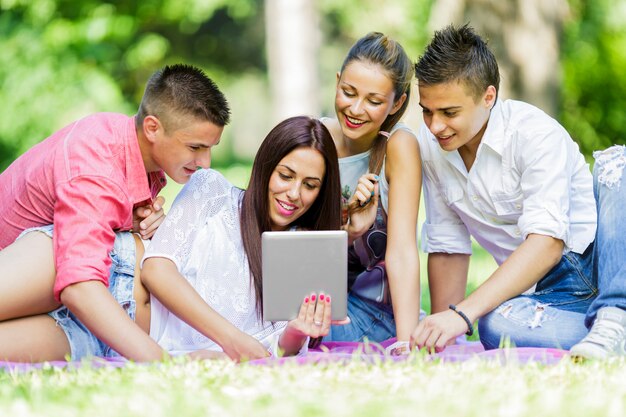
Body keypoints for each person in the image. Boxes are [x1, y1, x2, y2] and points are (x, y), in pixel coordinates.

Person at [0, 116, 344, 362]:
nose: (294, 193)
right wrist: (229, 338)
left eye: (310, 185)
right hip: (108, 265)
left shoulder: (305, 256)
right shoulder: (214, 191)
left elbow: (273, 350)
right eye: (285, 175)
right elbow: (157, 270)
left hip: (113, 339)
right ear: (266, 167)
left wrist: (300, 330)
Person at [409, 24, 626, 359]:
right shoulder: (431, 146)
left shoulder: (532, 133)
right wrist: (442, 332)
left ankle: (614, 316)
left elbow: (548, 244)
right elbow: (448, 246)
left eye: (449, 112)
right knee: (495, 325)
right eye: (427, 110)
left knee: (618, 163)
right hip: (545, 296)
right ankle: (606, 337)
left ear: (488, 97)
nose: (435, 126)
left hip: (599, 261)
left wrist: (462, 313)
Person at [0, 64, 231, 361]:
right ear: (152, 128)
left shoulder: (130, 145)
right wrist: (164, 364)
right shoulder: (96, 166)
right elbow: (79, 285)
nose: (205, 162)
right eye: (195, 147)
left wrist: (129, 221)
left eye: (211, 147)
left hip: (54, 304)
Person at [320, 32, 422, 348]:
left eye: (374, 101)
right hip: (318, 295)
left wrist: (406, 344)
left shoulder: (398, 147)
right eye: (348, 92)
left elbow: (403, 251)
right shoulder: (317, 137)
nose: (356, 109)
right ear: (337, 82)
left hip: (373, 310)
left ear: (397, 103)